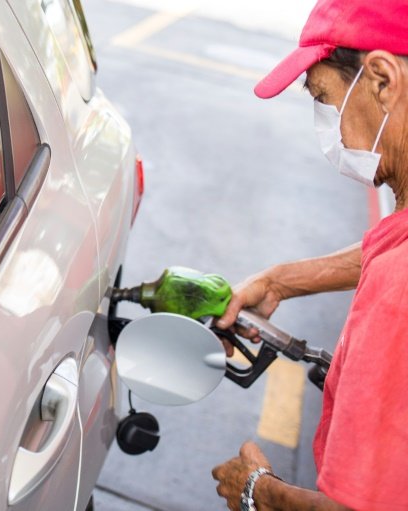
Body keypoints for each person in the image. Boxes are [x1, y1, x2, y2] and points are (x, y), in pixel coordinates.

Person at [210, 0, 408, 510]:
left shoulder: (397, 294)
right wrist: (282, 281)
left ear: (382, 79)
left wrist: (259, 492)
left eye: (324, 98)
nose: (332, 131)